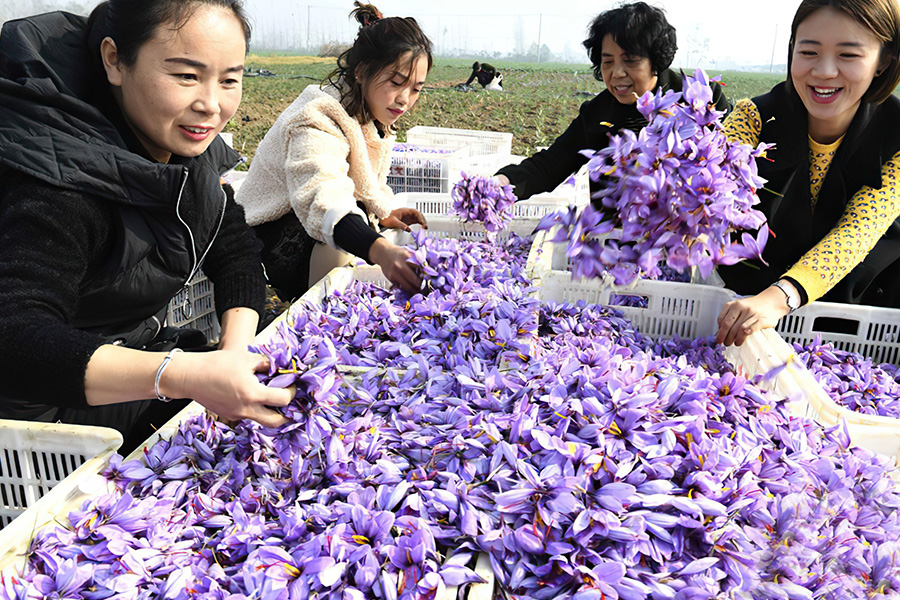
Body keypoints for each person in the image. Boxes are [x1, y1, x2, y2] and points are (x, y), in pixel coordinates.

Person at [0, 0, 294, 447]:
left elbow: (234, 250)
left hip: (135, 364)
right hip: (40, 419)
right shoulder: (59, 186)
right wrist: (181, 375)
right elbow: (15, 340)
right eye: (186, 76)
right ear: (114, 60)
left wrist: (232, 356)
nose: (211, 105)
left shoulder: (181, 158)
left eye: (230, 80)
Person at [715, 0, 900, 347]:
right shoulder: (753, 118)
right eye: (809, 52)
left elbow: (857, 232)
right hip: (748, 300)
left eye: (848, 55)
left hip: (855, 307)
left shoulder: (896, 135)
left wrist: (779, 298)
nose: (824, 71)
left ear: (884, 60)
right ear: (792, 51)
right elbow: (711, 183)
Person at [235, 2, 431, 301]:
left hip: (302, 226)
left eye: (416, 89)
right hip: (260, 243)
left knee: (361, 223)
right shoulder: (317, 116)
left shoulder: (371, 115)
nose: (405, 99)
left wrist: (383, 209)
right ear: (362, 72)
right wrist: (380, 249)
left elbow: (363, 184)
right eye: (395, 82)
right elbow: (322, 191)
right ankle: (307, 311)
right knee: (345, 236)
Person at [495, 2, 729, 201]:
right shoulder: (597, 113)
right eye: (608, 61)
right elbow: (549, 165)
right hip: (615, 241)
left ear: (655, 61)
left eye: (630, 60)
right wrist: (503, 182)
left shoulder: (700, 100)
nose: (616, 73)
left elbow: (731, 165)